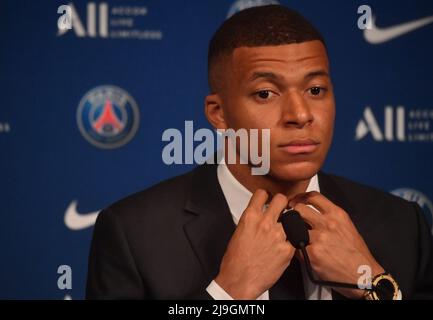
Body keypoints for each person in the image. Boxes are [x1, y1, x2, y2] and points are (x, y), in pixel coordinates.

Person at [86, 5, 433, 300]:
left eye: (315, 89)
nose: (300, 114)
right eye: (266, 93)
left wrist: (374, 286)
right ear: (218, 114)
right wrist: (228, 293)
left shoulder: (403, 224)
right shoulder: (134, 233)